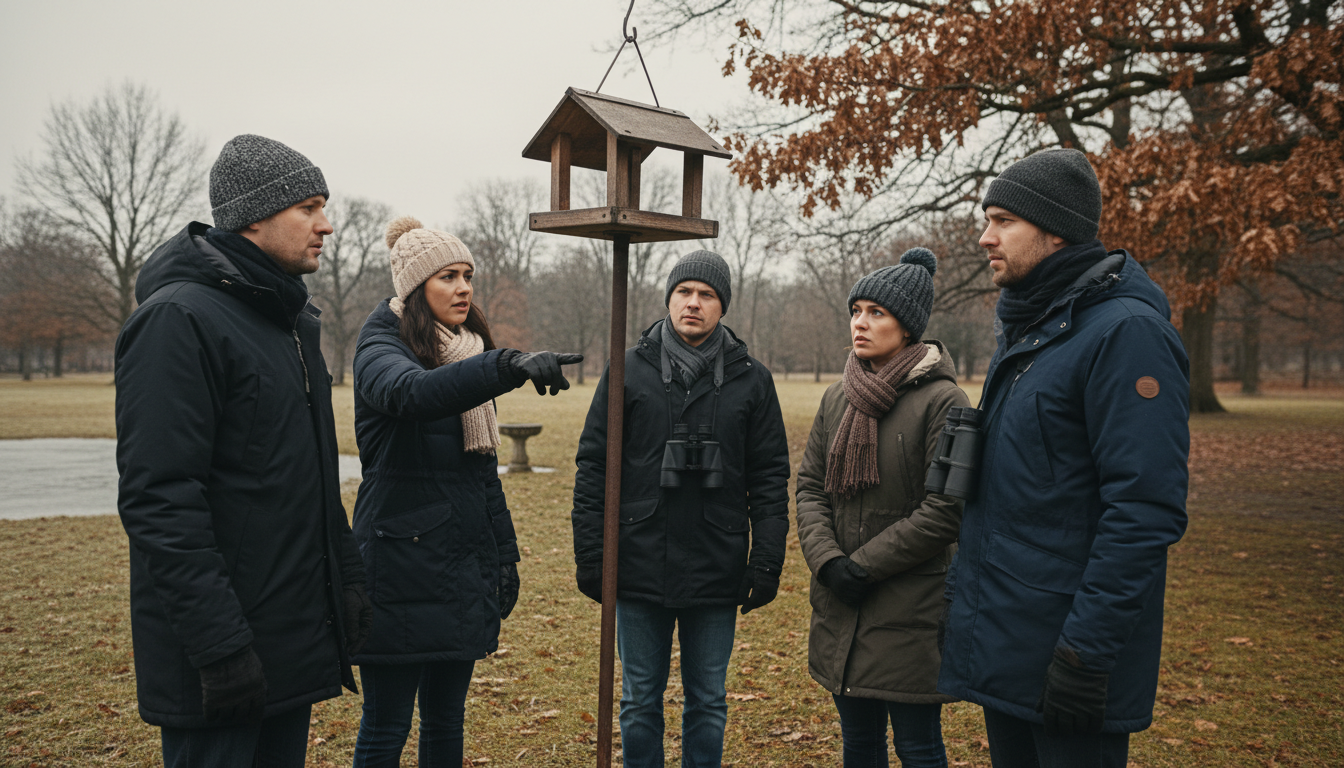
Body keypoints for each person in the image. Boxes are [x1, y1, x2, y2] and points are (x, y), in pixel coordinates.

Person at [115, 134, 373, 767]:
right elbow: (161, 500)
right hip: (221, 657)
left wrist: (349, 584)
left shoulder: (288, 323)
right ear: (253, 216)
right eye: (309, 208)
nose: (327, 225)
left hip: (287, 642)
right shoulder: (179, 320)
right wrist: (221, 648)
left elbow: (307, 479)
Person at [936, 148, 1191, 768]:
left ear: (1054, 230)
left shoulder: (1125, 334)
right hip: (1011, 645)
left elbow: (1143, 508)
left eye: (1002, 221)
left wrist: (1085, 654)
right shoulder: (1034, 329)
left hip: (1069, 659)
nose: (984, 236)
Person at [349, 216, 582, 767]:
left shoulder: (469, 347)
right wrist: (505, 367)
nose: (462, 288)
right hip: (397, 568)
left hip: (459, 565)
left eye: (467, 275)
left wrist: (505, 556)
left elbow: (482, 474)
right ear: (414, 287)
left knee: (447, 722)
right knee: (386, 726)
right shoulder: (379, 346)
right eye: (447, 276)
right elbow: (413, 394)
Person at [571, 250, 791, 768]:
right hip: (638, 560)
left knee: (709, 703)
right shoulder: (627, 369)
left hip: (717, 560)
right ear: (669, 298)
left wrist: (767, 560)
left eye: (706, 295)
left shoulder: (751, 379)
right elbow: (593, 465)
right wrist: (589, 554)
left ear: (723, 306)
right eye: (684, 292)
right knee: (638, 701)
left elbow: (769, 477)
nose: (693, 303)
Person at [795, 248, 969, 768]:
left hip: (908, 608)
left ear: (908, 327)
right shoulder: (837, 397)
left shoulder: (946, 401)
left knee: (917, 747)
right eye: (856, 311)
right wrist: (828, 562)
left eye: (877, 313)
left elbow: (945, 510)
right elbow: (809, 487)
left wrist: (862, 567)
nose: (860, 324)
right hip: (840, 601)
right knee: (860, 746)